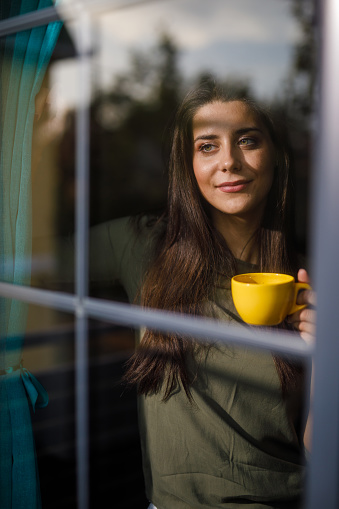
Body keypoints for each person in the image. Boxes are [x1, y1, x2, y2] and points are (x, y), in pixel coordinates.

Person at [61, 79, 315, 508]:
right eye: (207, 146)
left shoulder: (313, 277)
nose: (229, 162)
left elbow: (319, 450)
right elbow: (36, 258)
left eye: (248, 140)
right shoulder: (142, 243)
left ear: (276, 155)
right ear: (188, 165)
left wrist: (326, 360)